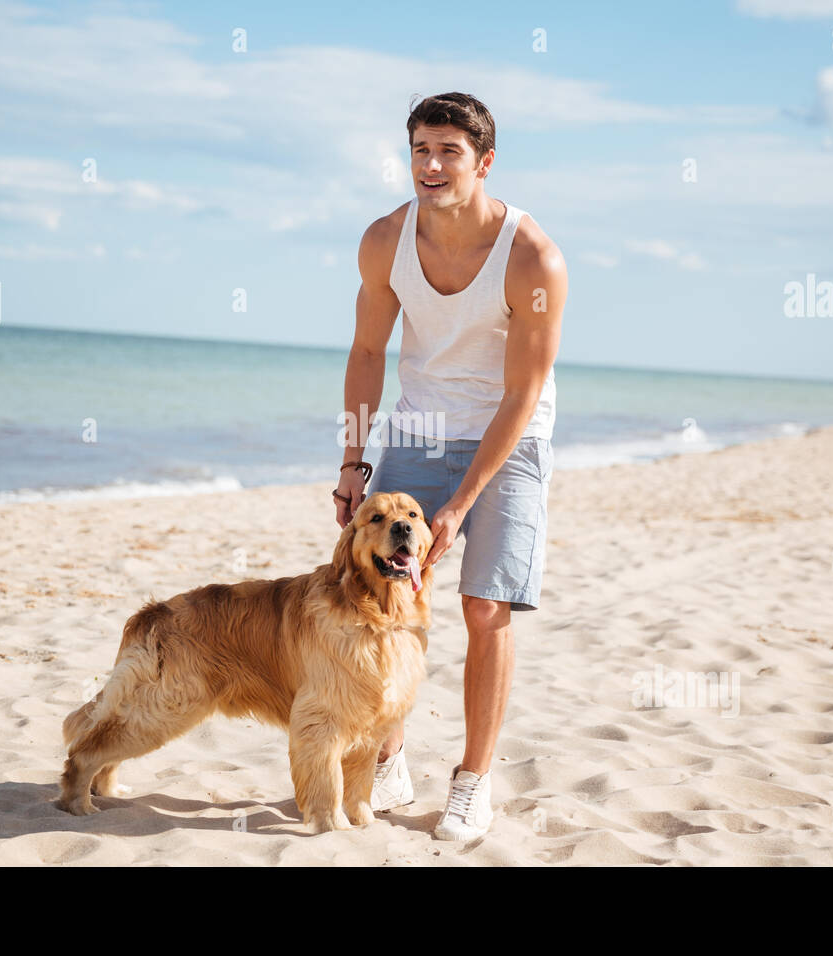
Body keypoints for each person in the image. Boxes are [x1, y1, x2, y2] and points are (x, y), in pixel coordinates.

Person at [333, 92, 564, 841]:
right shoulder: (383, 241)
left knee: (483, 608)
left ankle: (472, 781)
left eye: (449, 152)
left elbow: (524, 392)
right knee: (380, 594)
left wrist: (459, 507)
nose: (431, 166)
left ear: (484, 162)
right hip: (421, 428)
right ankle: (388, 758)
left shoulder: (532, 257)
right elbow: (368, 353)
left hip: (513, 435)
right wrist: (352, 463)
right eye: (420, 151)